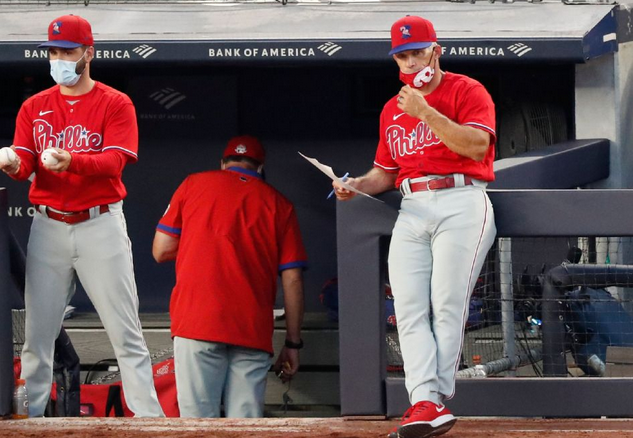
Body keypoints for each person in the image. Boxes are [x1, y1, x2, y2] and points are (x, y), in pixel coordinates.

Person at [333, 15, 497, 438]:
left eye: (416, 52)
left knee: (446, 303)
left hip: (462, 198)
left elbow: (477, 145)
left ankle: (431, 401)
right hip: (412, 203)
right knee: (406, 308)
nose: (408, 61)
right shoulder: (393, 107)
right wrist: (354, 185)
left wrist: (425, 112)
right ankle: (424, 400)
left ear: (435, 51)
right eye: (401, 55)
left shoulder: (465, 89)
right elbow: (385, 173)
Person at [0, 15, 164, 417]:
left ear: (89, 53)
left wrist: (72, 160)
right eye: (53, 52)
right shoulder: (34, 106)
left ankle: (150, 422)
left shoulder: (114, 102)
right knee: (37, 339)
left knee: (126, 333)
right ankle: (31, 419)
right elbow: (24, 161)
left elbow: (114, 162)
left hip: (99, 224)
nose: (59, 59)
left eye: (68, 51)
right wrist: (10, 162)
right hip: (48, 225)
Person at [152, 135, 308, 418]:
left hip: (197, 322)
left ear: (223, 163)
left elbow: (161, 250)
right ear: (259, 168)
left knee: (198, 424)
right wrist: (293, 343)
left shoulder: (192, 184)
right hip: (251, 328)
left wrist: (200, 243)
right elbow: (293, 279)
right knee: (246, 425)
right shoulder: (279, 204)